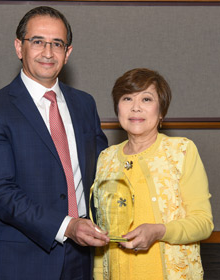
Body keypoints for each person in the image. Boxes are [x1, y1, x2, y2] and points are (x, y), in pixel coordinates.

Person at [0, 6, 109, 280]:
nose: (48, 52)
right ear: (18, 47)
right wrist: (66, 226)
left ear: (67, 53)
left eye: (57, 43)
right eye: (37, 41)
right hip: (20, 258)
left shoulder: (84, 104)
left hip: (81, 256)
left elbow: (104, 172)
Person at [91, 68, 214, 279]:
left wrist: (159, 231)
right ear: (117, 108)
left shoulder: (181, 151)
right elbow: (101, 232)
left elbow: (203, 223)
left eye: (146, 99)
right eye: (127, 98)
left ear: (161, 112)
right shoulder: (106, 158)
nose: (135, 107)